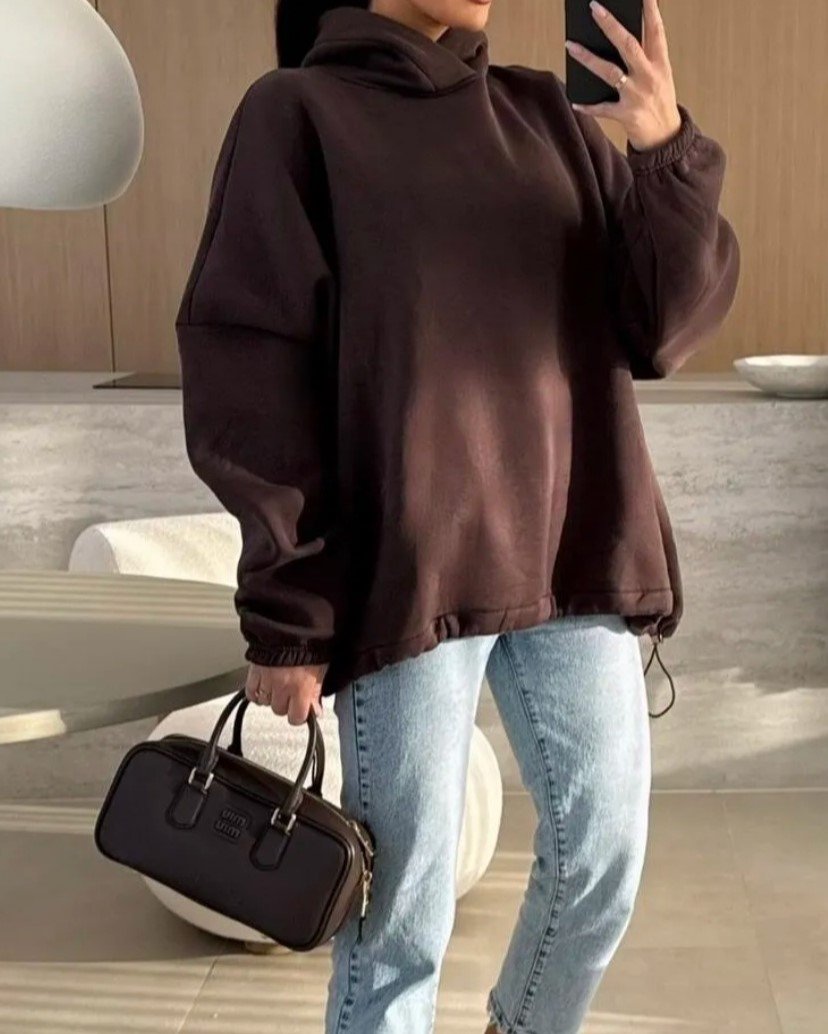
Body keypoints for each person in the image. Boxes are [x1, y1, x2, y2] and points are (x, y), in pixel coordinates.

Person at [175, 1, 740, 1031]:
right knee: (401, 922)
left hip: (573, 553)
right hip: (408, 572)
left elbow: (661, 327)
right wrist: (290, 610)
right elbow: (249, 368)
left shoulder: (550, 117)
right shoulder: (296, 114)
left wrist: (663, 148)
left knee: (603, 862)